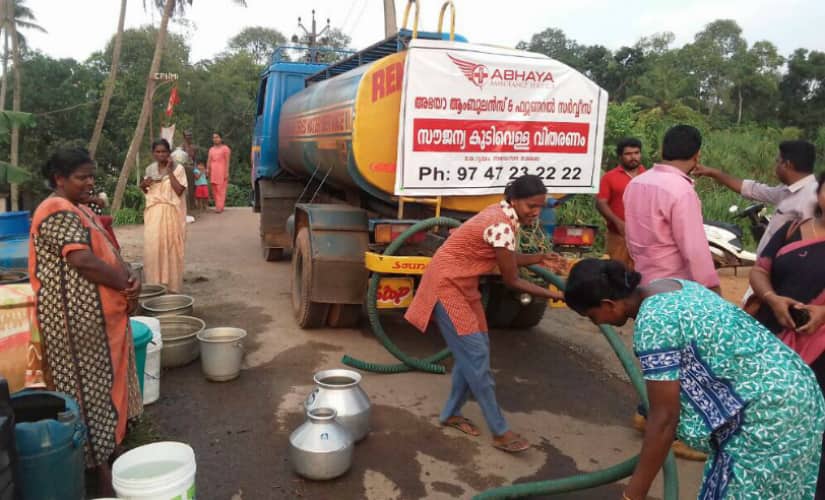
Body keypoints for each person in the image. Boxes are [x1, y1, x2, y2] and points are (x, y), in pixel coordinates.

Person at [565, 258, 825, 500]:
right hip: (798, 391)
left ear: (608, 304)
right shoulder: (672, 285)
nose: (598, 323)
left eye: (593, 316)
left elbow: (664, 420)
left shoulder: (653, 323)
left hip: (767, 416)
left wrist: (632, 495)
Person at [404, 175, 566, 453]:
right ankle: (500, 431)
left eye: (540, 206)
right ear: (514, 200)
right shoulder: (501, 224)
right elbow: (512, 279)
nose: (536, 212)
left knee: (475, 353)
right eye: (531, 206)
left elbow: (505, 257)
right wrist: (557, 295)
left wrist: (540, 258)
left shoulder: (503, 214)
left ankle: (451, 414)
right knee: (476, 355)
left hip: (464, 285)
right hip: (447, 287)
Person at [28, 148, 143, 495]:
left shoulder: (79, 208)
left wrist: (131, 275)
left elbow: (107, 251)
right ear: (59, 179)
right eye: (81, 177)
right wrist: (125, 284)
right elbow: (83, 261)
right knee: (86, 393)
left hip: (96, 321)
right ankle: (100, 472)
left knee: (104, 387)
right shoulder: (54, 209)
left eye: (91, 175)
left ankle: (111, 454)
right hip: (74, 322)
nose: (90, 182)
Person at [749, 171, 825, 495]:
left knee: (813, 432)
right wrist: (771, 299)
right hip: (773, 341)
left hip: (820, 358)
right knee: (765, 421)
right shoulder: (792, 229)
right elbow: (759, 270)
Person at [623, 124, 720, 293]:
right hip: (674, 289)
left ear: (662, 151)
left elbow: (630, 237)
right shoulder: (681, 190)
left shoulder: (636, 183)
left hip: (642, 283)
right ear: (697, 155)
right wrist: (711, 288)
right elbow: (694, 250)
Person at [141, 138, 187, 293]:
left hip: (171, 214)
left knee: (171, 248)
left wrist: (169, 171)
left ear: (169, 153)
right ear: (153, 153)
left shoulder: (178, 169)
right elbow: (147, 191)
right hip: (153, 214)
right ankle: (155, 286)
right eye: (157, 152)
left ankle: (172, 287)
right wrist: (143, 185)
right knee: (153, 247)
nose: (161, 155)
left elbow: (179, 191)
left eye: (164, 151)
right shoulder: (150, 169)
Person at [596, 137, 646, 269]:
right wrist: (617, 222)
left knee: (642, 274)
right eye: (628, 154)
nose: (633, 157)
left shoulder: (649, 176)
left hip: (644, 238)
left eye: (636, 153)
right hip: (618, 236)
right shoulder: (609, 177)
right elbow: (600, 203)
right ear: (620, 156)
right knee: (617, 273)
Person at [207, 132, 231, 213]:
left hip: (222, 171)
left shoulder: (225, 149)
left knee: (221, 189)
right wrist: (207, 169)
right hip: (213, 171)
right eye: (214, 137)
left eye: (217, 137)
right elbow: (209, 160)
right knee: (214, 190)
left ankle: (219, 207)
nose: (215, 139)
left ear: (221, 138)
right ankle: (218, 206)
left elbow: (227, 161)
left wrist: (226, 172)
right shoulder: (211, 149)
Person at [182, 130, 199, 208]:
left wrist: (196, 170)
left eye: (190, 135)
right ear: (184, 137)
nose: (188, 137)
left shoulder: (194, 147)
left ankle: (192, 204)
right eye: (187, 135)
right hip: (183, 167)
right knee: (184, 186)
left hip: (191, 167)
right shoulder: (181, 147)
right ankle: (184, 205)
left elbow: (195, 160)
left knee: (192, 186)